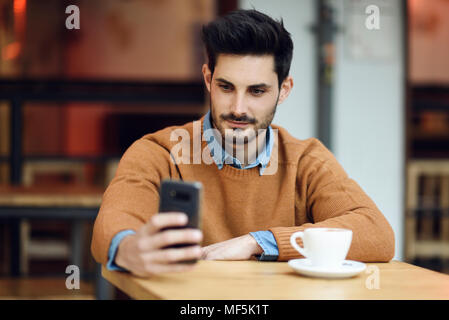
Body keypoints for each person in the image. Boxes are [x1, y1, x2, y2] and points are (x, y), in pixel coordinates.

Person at [91, 9, 395, 277]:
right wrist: (129, 247)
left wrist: (258, 242)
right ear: (208, 78)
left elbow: (377, 233)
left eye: (257, 91)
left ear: (284, 89)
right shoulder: (158, 153)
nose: (238, 107)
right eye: (226, 87)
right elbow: (111, 226)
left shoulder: (306, 160)